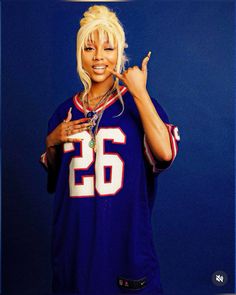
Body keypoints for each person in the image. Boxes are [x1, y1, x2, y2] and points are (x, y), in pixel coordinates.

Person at [40, 5, 180, 295]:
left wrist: (140, 93)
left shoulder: (138, 104)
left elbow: (165, 153)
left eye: (108, 47)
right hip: (74, 248)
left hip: (124, 245)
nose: (99, 57)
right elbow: (56, 180)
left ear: (120, 52)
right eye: (89, 48)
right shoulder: (63, 111)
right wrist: (51, 141)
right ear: (79, 53)